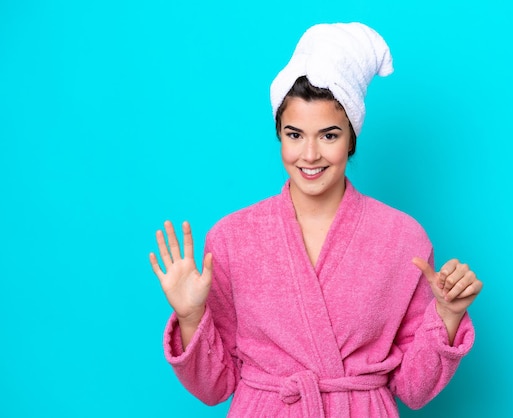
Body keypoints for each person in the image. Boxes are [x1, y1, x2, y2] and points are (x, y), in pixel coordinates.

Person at [149, 22, 482, 417]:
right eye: (294, 135)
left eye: (328, 135)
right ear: (279, 136)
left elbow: (412, 389)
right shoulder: (232, 239)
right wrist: (190, 319)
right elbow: (214, 387)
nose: (309, 155)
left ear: (351, 137)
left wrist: (447, 315)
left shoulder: (402, 238)